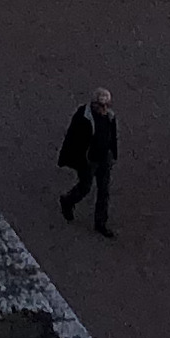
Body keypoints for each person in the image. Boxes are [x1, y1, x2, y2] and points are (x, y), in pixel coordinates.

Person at [58, 87, 118, 234]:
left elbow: (112, 136)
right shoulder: (82, 117)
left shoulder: (110, 116)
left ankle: (100, 223)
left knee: (104, 191)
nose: (104, 109)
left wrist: (113, 153)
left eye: (107, 105)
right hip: (88, 160)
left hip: (104, 159)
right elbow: (72, 139)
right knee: (85, 187)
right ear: (94, 104)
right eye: (101, 105)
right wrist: (76, 160)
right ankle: (67, 201)